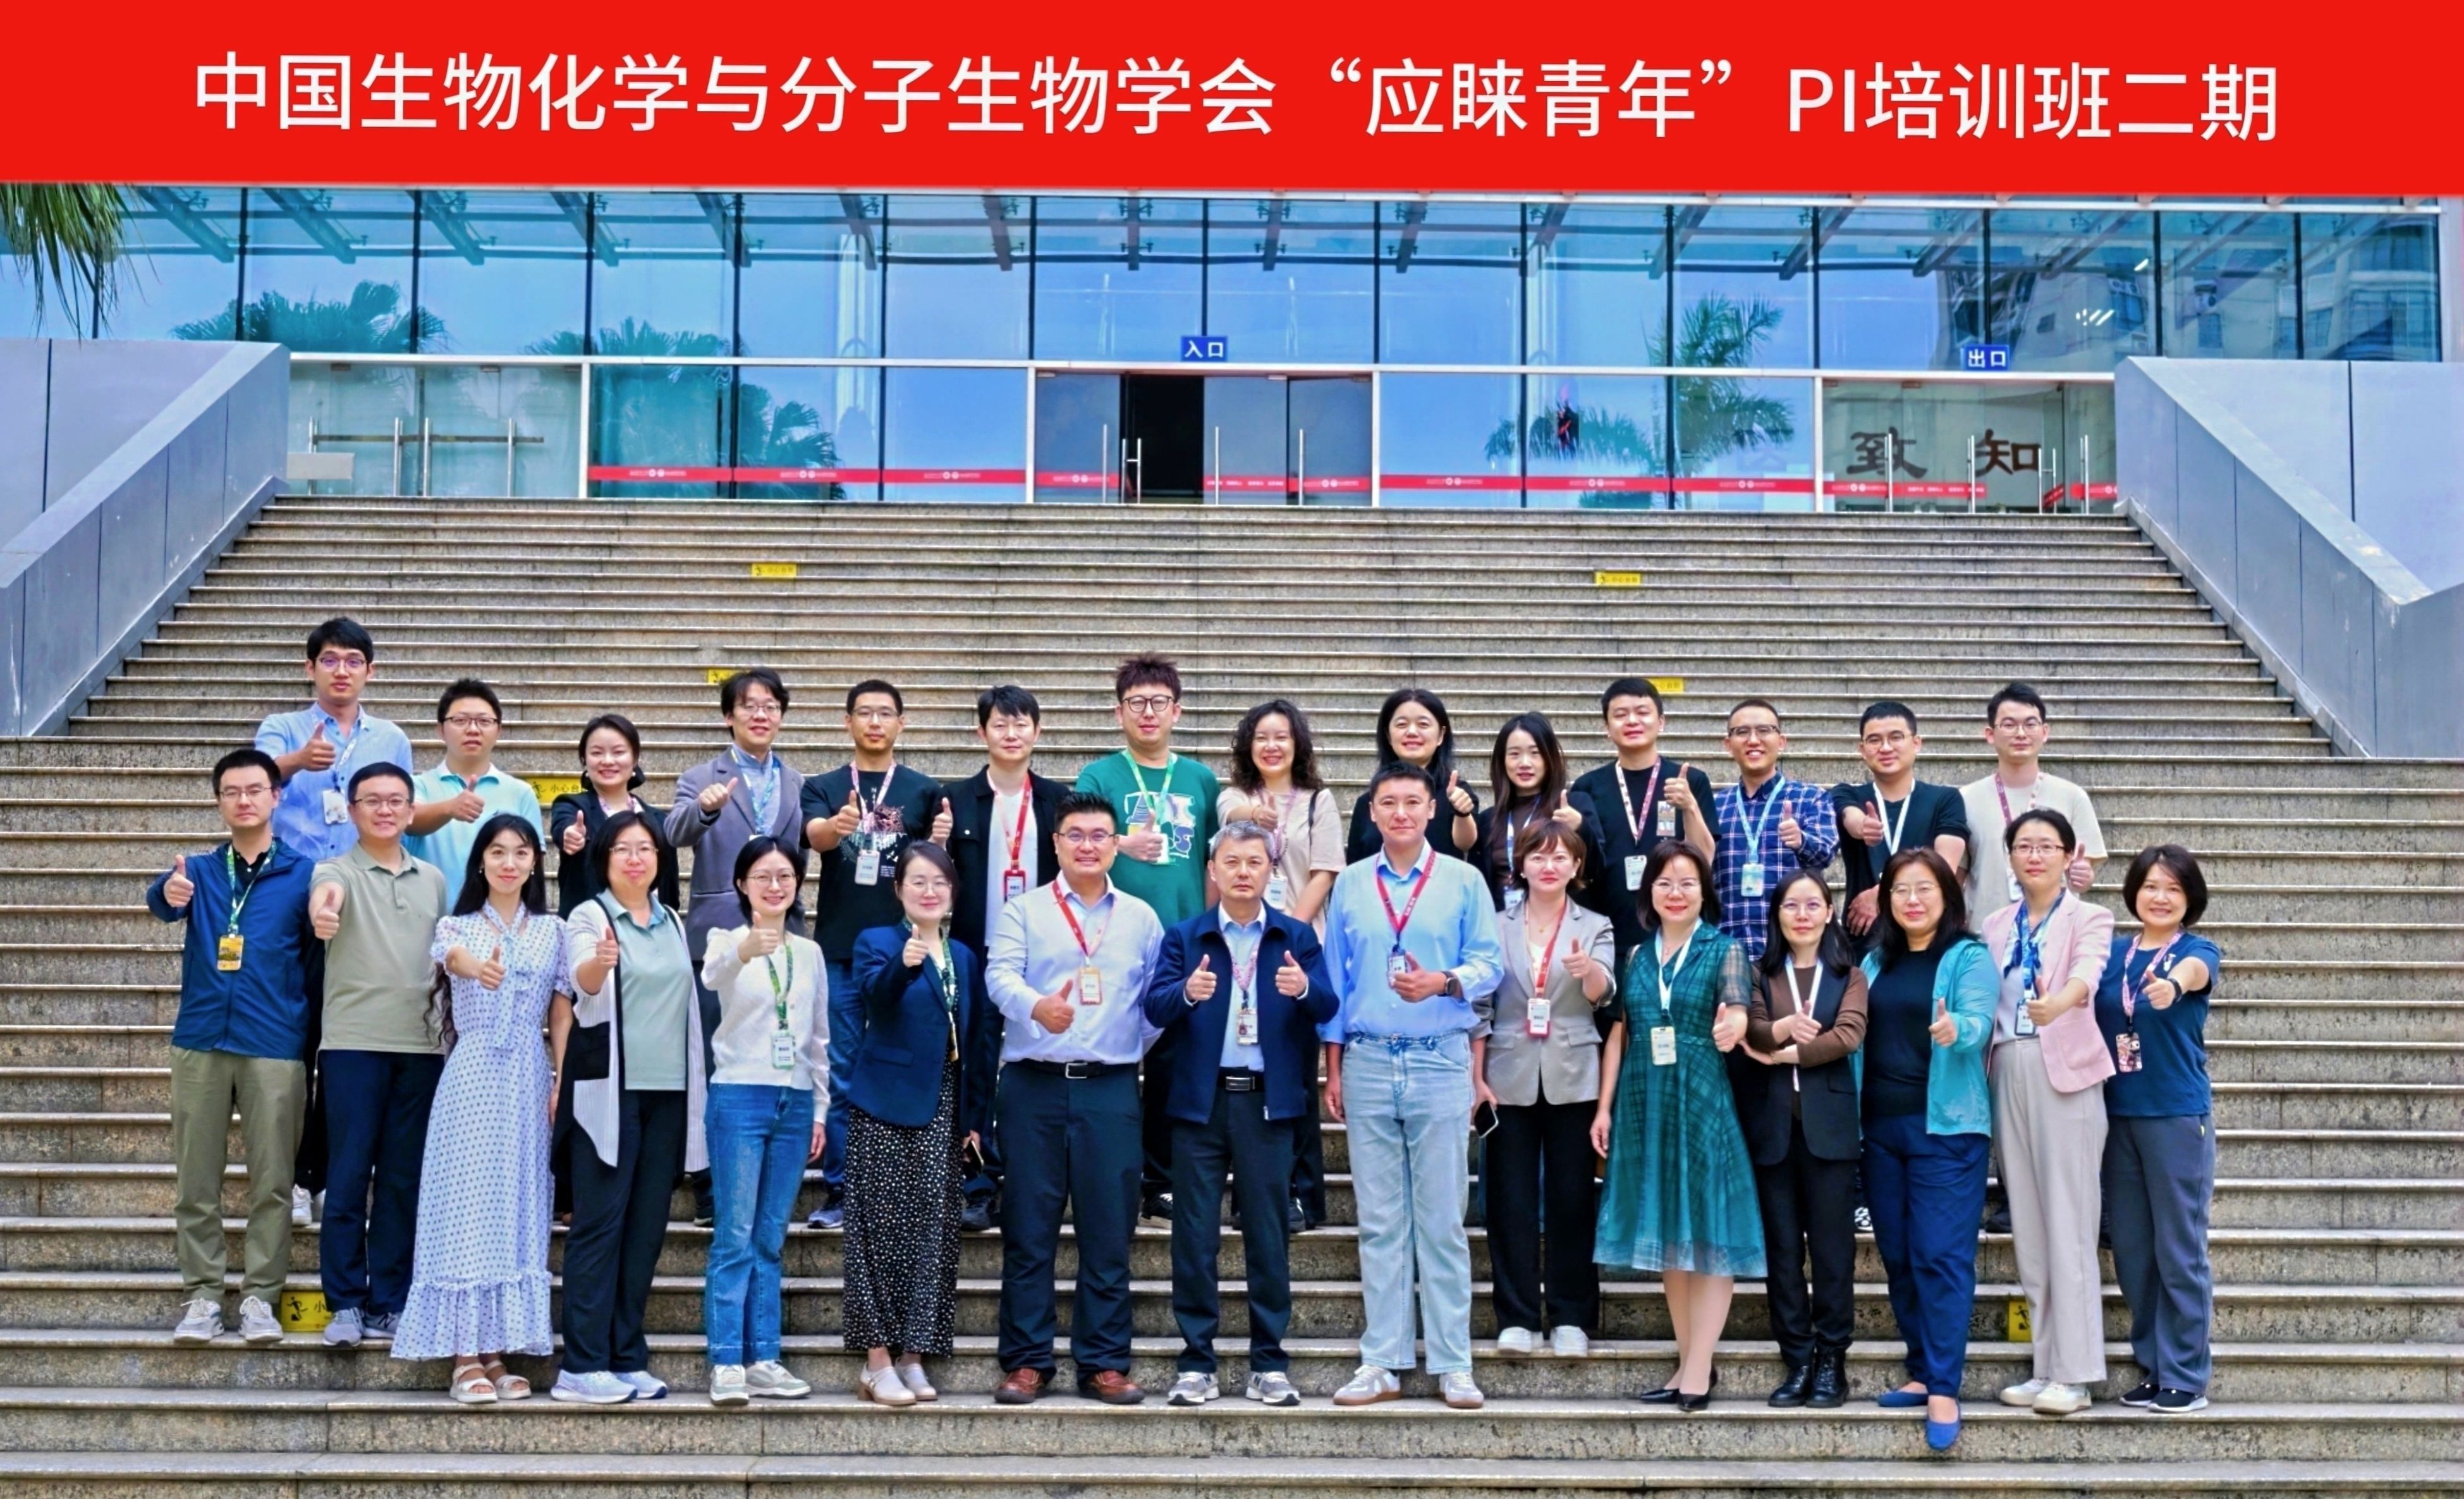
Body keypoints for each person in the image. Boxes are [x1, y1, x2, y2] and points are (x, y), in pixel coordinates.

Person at [1321, 764, 1502, 1412]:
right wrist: (1334, 1067)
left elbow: (1490, 964)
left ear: (1431, 810)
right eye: (1388, 802)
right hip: (1369, 1058)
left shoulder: (1462, 878)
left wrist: (1444, 981)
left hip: (1438, 1058)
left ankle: (1453, 1362)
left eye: (1412, 802)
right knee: (1379, 1221)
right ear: (1372, 811)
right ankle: (1383, 1360)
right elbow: (1336, 981)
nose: (1400, 812)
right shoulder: (1350, 882)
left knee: (1442, 1220)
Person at [1142, 821, 1338, 1409]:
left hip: (1267, 1103)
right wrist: (1187, 993)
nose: (1243, 872)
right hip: (1200, 1103)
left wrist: (1303, 988)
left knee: (1268, 1234)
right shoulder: (1187, 936)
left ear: (1271, 870)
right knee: (1194, 1235)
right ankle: (1196, 1362)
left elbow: (1328, 1004)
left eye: (1255, 862)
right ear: (1213, 869)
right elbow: (1154, 1006)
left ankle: (1269, 1363)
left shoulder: (1294, 935)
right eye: (1231, 861)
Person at [984, 792, 1167, 1405]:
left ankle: (1104, 1363)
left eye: (1099, 835)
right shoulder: (1024, 909)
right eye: (1075, 834)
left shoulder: (1141, 917)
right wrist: (1037, 1008)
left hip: (1110, 1090)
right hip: (1032, 1086)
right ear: (1056, 843)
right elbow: (999, 976)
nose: (1087, 845)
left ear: (1116, 845)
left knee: (1108, 1229)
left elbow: (1154, 1003)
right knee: (1028, 1229)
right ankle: (1027, 1361)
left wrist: (1117, 1045)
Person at [148, 748, 317, 1349]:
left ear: (276, 796)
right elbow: (161, 899)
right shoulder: (197, 868)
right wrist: (168, 892)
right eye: (231, 792)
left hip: (274, 1041)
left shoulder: (305, 872)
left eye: (254, 790)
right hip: (201, 1039)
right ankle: (202, 1293)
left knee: (273, 1181)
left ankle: (261, 1297)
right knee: (197, 1178)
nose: (244, 800)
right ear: (219, 801)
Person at [394, 814, 564, 1403]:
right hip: (472, 1078)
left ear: (535, 862)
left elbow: (561, 1010)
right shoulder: (456, 924)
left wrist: (561, 1079)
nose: (509, 862)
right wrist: (479, 969)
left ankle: (495, 1352)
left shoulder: (554, 930)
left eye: (520, 852)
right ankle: (464, 1355)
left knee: (516, 1208)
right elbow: (455, 958)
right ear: (481, 862)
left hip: (528, 1076)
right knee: (466, 1209)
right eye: (497, 852)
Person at [1590, 841, 1759, 1412]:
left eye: (1688, 882)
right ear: (1650, 893)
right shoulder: (1637, 956)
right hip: (1645, 1098)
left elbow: (1738, 1006)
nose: (1676, 892)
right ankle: (1688, 1362)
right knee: (1668, 1231)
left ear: (1704, 891)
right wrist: (1604, 1107)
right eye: (1664, 882)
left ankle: (1699, 1367)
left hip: (1700, 1095)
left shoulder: (1724, 949)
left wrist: (1734, 1024)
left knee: (1708, 1230)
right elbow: (1621, 1033)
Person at [554, 811, 698, 1405]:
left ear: (661, 859)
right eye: (623, 849)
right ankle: (581, 1364)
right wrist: (600, 962)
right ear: (605, 859)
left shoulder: (672, 920)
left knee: (645, 1232)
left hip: (669, 1094)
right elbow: (583, 982)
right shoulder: (589, 916)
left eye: (646, 848)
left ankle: (625, 1355)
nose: (636, 858)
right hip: (608, 1094)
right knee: (599, 1226)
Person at [1858, 847, 1998, 1452]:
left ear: (1948, 895)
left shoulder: (1968, 956)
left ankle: (1944, 1385)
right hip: (1880, 1130)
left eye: (1924, 888)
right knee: (1898, 1252)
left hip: (1948, 1128)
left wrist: (1956, 1029)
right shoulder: (1874, 961)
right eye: (1900, 890)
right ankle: (1921, 1366)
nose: (1912, 900)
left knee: (1941, 1254)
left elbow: (1979, 1021)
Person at [308, 762, 448, 1349]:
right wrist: (324, 912)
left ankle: (390, 1300)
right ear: (352, 810)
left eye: (396, 800)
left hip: (422, 1047)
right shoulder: (334, 869)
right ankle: (344, 1301)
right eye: (372, 800)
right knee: (346, 1178)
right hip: (353, 1046)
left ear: (412, 811)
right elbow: (326, 898)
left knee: (400, 1181)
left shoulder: (434, 880)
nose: (385, 810)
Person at [1074, 654, 1218, 1224]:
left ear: (1177, 711)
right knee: (1110, 1060)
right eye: (1136, 702)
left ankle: (1160, 1179)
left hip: (1181, 941)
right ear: (1119, 712)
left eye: (1159, 702)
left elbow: (1213, 862)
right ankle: (1107, 1178)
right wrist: (1118, 844)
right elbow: (1076, 840)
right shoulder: (1099, 776)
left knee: (1171, 1067)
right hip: (1112, 937)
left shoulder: (1200, 779)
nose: (1148, 712)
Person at [1983, 809, 2115, 1418]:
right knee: (2032, 1230)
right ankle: (2046, 1364)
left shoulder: (2090, 917)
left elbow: (2089, 971)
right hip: (2006, 1064)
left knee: (2070, 1222)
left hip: (2064, 1069)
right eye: (2024, 846)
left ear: (2068, 856)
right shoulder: (1996, 923)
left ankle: (2077, 1372)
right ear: (2010, 856)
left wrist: (2058, 1002)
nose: (2034, 855)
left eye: (2046, 846)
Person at [802, 679, 946, 1230]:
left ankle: (901, 1181)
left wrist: (942, 840)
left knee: (902, 1060)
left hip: (904, 948)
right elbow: (815, 836)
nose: (875, 722)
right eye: (865, 713)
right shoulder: (823, 785)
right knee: (843, 1067)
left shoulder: (922, 789)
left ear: (901, 723)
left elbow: (934, 863)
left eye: (886, 713)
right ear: (848, 722)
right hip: (840, 947)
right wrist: (835, 827)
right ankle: (842, 1188)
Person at [845, 844, 982, 1407]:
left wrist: (974, 1117)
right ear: (898, 888)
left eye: (940, 882)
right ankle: (876, 1358)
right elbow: (875, 999)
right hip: (884, 1099)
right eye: (918, 881)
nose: (930, 891)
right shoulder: (877, 941)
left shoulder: (963, 955)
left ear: (953, 892)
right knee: (876, 1229)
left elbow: (976, 1036)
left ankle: (914, 1355)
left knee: (934, 1229)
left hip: (945, 1102)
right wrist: (902, 966)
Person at [671, 668, 807, 1230]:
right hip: (721, 937)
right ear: (729, 716)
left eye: (771, 705)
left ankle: (767, 1173)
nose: (760, 714)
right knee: (716, 1059)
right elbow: (674, 832)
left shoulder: (796, 781)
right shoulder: (702, 776)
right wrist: (704, 808)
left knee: (775, 1048)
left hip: (782, 933)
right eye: (749, 705)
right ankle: (711, 1183)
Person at [1473, 822, 1614, 1360]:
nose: (1549, 865)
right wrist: (1475, 1077)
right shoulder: (1495, 923)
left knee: (1572, 1199)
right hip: (1506, 1074)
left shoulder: (1594, 924)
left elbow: (1606, 995)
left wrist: (1588, 972)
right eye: (1539, 855)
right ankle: (1516, 1315)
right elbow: (1480, 1006)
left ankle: (1572, 1314)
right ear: (1522, 864)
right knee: (1509, 1199)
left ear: (1576, 866)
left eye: (1560, 857)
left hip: (1573, 1074)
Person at [695, 837, 827, 1409]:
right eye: (763, 876)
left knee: (771, 1237)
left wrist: (819, 1107)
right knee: (734, 1234)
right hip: (739, 1096)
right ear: (742, 885)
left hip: (793, 1101)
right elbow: (711, 977)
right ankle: (727, 1359)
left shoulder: (810, 953)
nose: (775, 886)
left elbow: (819, 1038)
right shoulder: (725, 940)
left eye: (785, 876)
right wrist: (746, 948)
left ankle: (764, 1357)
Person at [2095, 845, 2224, 1416]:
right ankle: (2153, 1365)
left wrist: (2173, 983)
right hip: (2117, 1114)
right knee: (2132, 1249)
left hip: (2175, 1115)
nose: (2161, 897)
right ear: (2134, 892)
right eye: (2151, 885)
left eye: (2173, 887)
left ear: (2189, 897)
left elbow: (2196, 976)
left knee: (2179, 1248)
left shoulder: (2197, 951)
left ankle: (2186, 1374)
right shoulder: (2113, 953)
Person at [942, 685, 1071, 1233]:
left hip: (1039, 955)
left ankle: (1031, 1176)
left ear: (1037, 731)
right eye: (1000, 724)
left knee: (1036, 1062)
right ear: (982, 732)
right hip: (976, 952)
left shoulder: (1058, 801)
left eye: (1021, 724)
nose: (1011, 733)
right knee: (974, 1064)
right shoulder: (955, 799)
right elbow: (932, 876)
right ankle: (976, 1182)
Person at [1736, 872, 1867, 1409]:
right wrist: (1786, 1025)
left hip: (1829, 1130)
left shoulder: (1849, 975)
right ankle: (1797, 1358)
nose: (1803, 914)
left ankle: (1832, 1359)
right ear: (1778, 914)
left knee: (1834, 1251)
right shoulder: (1759, 972)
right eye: (1792, 905)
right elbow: (1753, 1029)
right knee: (1783, 1250)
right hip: (1773, 1130)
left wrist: (1786, 1053)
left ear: (1830, 912)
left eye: (1814, 904)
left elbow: (1849, 1034)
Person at [1216, 698, 1344, 1232]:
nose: (1272, 745)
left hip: (1296, 946)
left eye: (1282, 736)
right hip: (1240, 950)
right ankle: (1251, 1194)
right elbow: (1228, 817)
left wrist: (1287, 927)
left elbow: (1325, 871)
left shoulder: (1319, 801)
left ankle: (1301, 1193)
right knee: (1248, 1076)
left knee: (1295, 1074)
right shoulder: (1233, 796)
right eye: (1262, 736)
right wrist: (1253, 815)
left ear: (1298, 744)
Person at [1570, 678, 1717, 974]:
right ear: (1607, 727)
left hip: (1674, 934)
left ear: (1661, 722)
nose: (1632, 721)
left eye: (1642, 712)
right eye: (1621, 714)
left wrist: (1689, 806)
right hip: (1607, 935)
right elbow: (1582, 867)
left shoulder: (1690, 780)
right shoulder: (1588, 786)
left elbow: (1705, 858)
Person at [255, 616, 414, 864]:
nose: (341, 672)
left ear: (370, 671)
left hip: (367, 874)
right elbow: (255, 782)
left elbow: (404, 810)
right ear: (310, 668)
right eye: (329, 661)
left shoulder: (393, 738)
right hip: (292, 873)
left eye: (353, 662)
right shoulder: (281, 727)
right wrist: (299, 760)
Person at [1830, 702, 1970, 957]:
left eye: (1896, 737)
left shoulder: (1946, 800)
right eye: (1874, 740)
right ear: (1862, 750)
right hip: (1863, 943)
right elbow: (1850, 817)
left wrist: (1883, 894)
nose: (1885, 748)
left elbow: (1945, 867)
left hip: (1929, 940)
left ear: (1916, 743)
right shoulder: (1847, 794)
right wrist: (1863, 827)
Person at [1960, 683, 2106, 917]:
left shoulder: (2073, 796)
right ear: (1990, 734)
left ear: (2045, 732)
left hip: (2054, 931)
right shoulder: (1965, 799)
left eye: (2030, 724)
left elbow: (2083, 873)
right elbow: (1955, 877)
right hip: (1985, 932)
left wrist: (2083, 876)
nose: (2021, 734)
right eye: (2009, 725)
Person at [1710, 700, 1838, 964]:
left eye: (1764, 730)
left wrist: (1801, 841)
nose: (1753, 740)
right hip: (1728, 953)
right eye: (1742, 732)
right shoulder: (1715, 805)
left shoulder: (1810, 798)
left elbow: (1825, 855)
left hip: (1792, 952)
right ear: (1728, 745)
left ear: (1781, 741)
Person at [405, 678, 546, 909]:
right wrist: (450, 808)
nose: (473, 729)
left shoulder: (520, 793)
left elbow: (532, 865)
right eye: (460, 721)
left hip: (497, 923)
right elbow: (409, 819)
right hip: (428, 919)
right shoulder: (416, 786)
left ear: (499, 731)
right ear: (441, 730)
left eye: (484, 721)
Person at [1472, 712, 1609, 917]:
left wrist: (1581, 828)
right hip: (1505, 928)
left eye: (1535, 753)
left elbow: (1599, 871)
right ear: (1502, 761)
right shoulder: (1488, 820)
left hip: (1565, 927)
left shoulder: (1574, 806)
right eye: (1514, 754)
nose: (1525, 763)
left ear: (1549, 758)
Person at [549, 714, 681, 918]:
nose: (608, 761)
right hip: (590, 931)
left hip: (649, 931)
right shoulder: (573, 806)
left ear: (635, 759)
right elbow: (563, 826)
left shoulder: (659, 821)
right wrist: (570, 835)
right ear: (584, 760)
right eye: (597, 753)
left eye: (618, 752)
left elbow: (669, 891)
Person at [1345, 688, 1480, 864]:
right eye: (1402, 725)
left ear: (1441, 735)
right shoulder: (1368, 801)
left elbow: (1466, 844)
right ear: (1388, 735)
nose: (1412, 732)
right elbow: (1354, 865)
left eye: (1423, 725)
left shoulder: (1457, 795)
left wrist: (1462, 813)